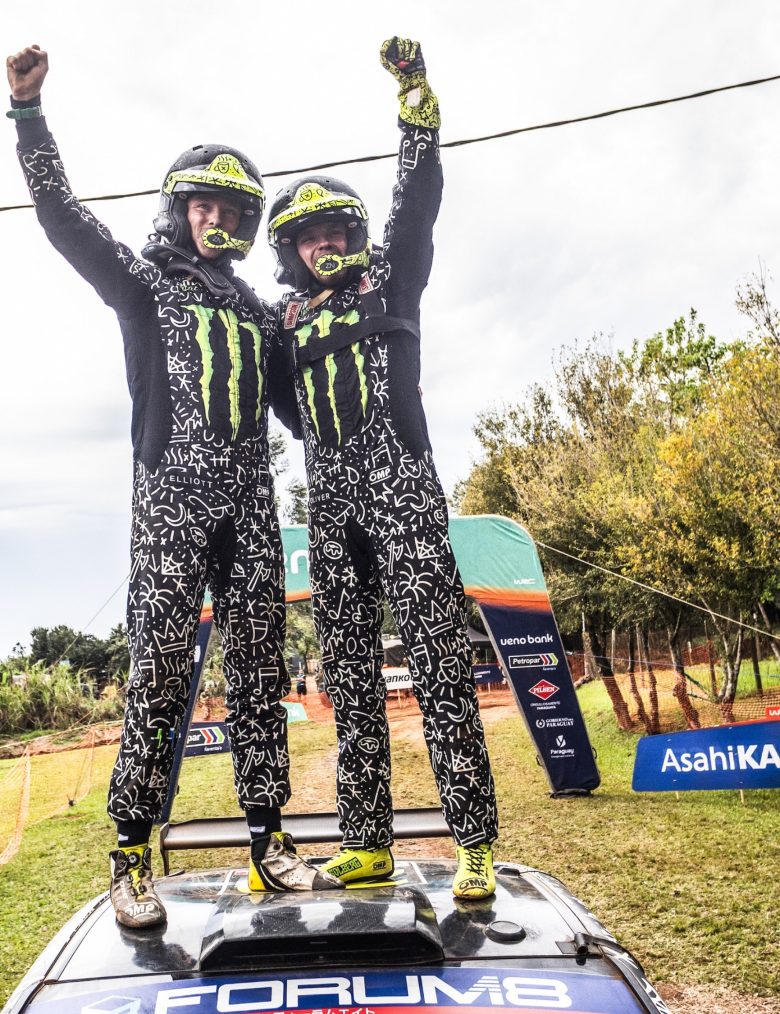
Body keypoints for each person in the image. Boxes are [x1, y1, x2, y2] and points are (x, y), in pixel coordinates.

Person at [6, 45, 339, 929]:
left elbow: (301, 409)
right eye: (205, 207)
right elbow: (64, 221)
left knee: (262, 673)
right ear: (179, 211)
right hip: (170, 505)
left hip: (251, 507)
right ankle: (128, 857)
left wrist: (333, 319)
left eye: (234, 212)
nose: (218, 221)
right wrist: (28, 113)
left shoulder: (261, 313)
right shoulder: (143, 285)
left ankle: (270, 843)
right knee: (158, 675)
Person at [268, 38, 499, 899]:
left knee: (439, 663)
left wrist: (414, 99)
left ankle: (474, 842)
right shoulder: (284, 320)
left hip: (403, 486)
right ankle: (366, 842)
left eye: (337, 230)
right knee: (349, 675)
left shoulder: (392, 279)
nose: (325, 243)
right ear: (291, 251)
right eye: (310, 237)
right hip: (330, 501)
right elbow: (282, 405)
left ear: (357, 236)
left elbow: (418, 196)